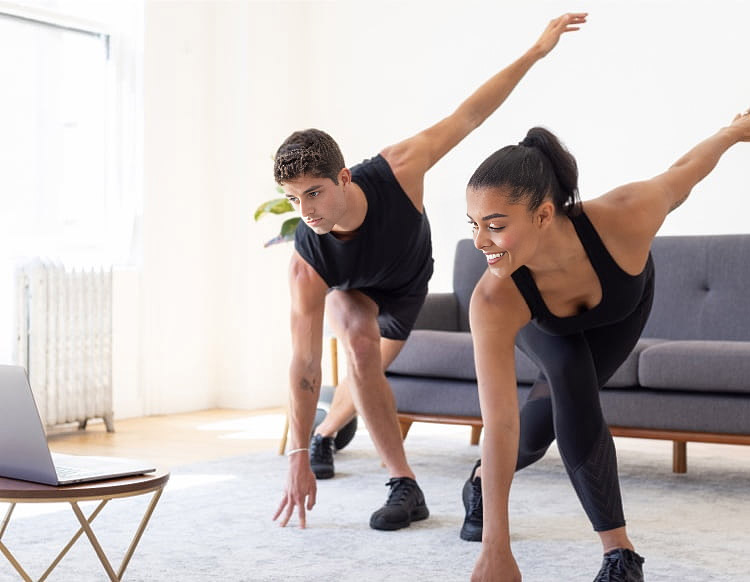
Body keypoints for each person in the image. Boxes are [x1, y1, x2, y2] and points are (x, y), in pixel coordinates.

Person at [271, 13, 588, 531]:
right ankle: (403, 483)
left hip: (406, 283)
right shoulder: (309, 262)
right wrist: (295, 457)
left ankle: (331, 431)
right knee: (358, 345)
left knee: (365, 368)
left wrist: (536, 50)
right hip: (354, 292)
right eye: (293, 198)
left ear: (343, 177)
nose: (306, 210)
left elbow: (471, 115)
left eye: (314, 192)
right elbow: (305, 365)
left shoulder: (401, 167)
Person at [464, 111, 750, 581]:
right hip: (547, 327)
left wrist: (732, 132)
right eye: (473, 224)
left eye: (494, 225)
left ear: (542, 214)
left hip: (622, 309)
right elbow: (498, 423)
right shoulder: (495, 297)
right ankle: (620, 554)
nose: (480, 241)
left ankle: (478, 481)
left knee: (541, 430)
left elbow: (685, 173)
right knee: (570, 377)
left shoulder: (627, 214)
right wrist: (497, 547)